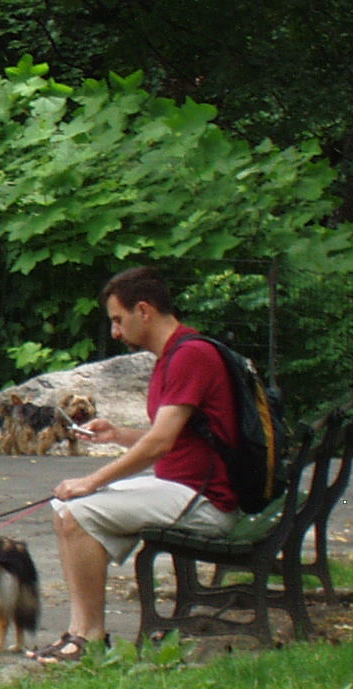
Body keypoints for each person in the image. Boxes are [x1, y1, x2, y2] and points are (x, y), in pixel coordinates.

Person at [36, 265, 241, 663]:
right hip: (185, 489)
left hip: (206, 500)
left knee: (77, 512)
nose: (115, 332)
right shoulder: (174, 354)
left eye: (118, 319)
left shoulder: (190, 356)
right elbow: (175, 436)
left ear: (143, 310)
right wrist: (118, 435)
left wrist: (92, 481)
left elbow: (159, 444)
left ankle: (88, 639)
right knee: (65, 510)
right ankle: (80, 632)